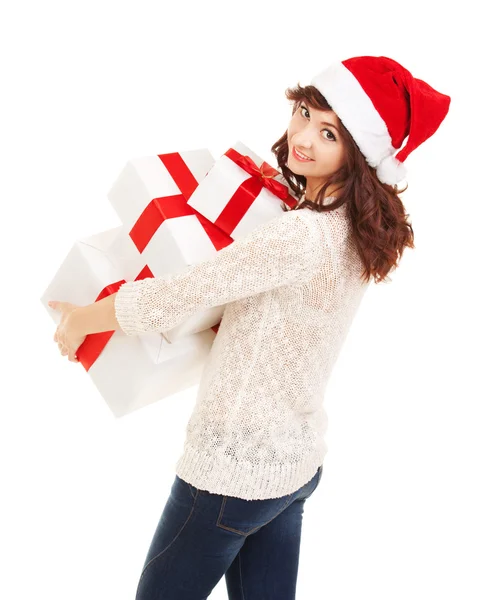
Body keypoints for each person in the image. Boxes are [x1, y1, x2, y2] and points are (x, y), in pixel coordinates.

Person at [50, 55, 451, 599]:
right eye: (305, 112)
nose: (303, 136)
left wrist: (82, 319)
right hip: (292, 465)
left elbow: (179, 294)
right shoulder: (353, 229)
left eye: (328, 132)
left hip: (230, 475)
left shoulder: (299, 237)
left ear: (358, 155)